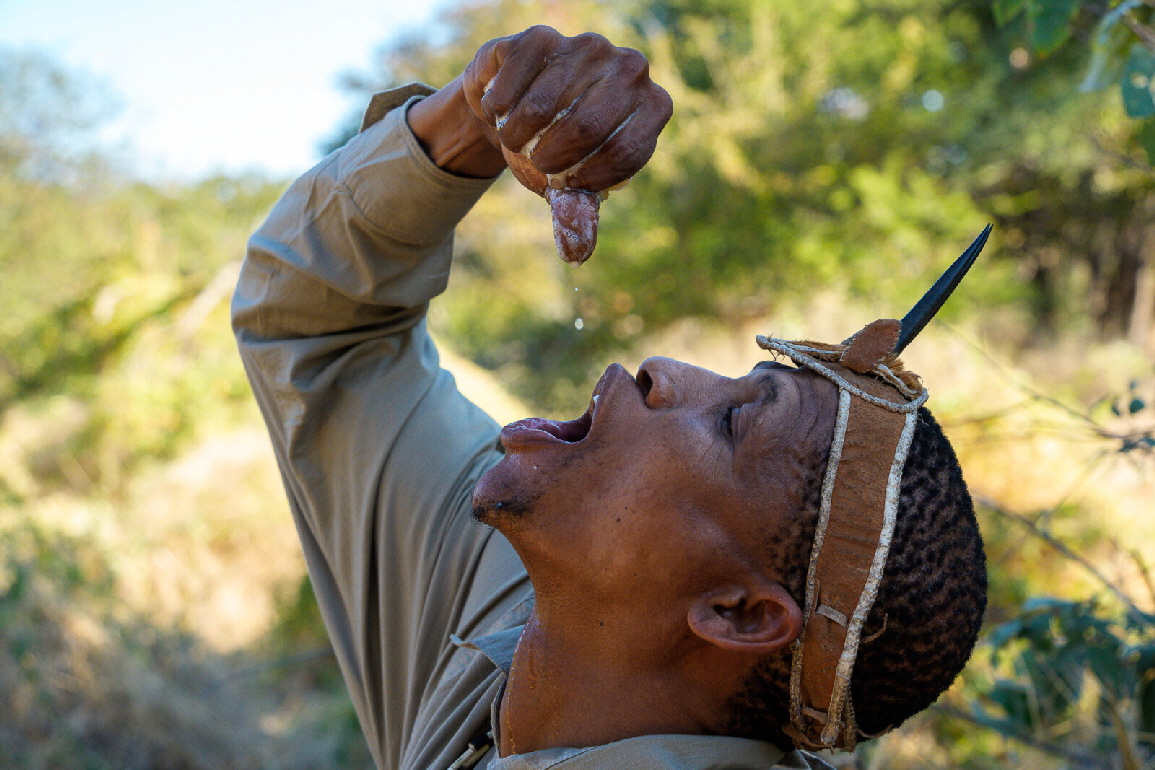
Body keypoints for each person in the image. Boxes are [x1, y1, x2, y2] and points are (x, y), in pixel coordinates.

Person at [232, 25, 987, 770]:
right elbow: (323, 327)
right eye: (735, 382)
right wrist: (475, 116)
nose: (660, 369)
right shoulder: (514, 616)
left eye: (731, 423)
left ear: (737, 614)